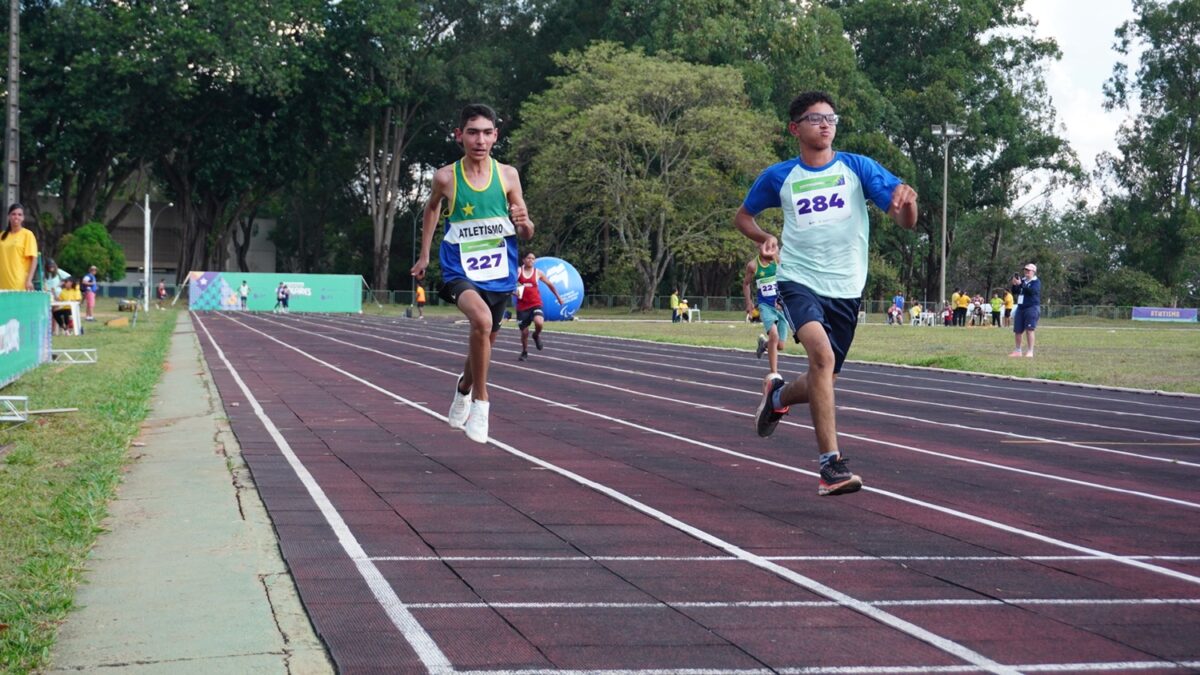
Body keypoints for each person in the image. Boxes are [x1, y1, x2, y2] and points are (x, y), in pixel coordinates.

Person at [735, 90, 918, 496]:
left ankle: (778, 395)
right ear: (795, 128)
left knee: (824, 376)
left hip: (847, 289)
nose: (825, 124)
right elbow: (743, 217)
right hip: (798, 280)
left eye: (831, 118)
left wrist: (908, 202)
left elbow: (905, 219)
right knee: (822, 357)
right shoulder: (780, 176)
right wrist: (766, 238)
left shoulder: (857, 168)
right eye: (815, 118)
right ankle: (830, 466)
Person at [410, 103, 534, 444]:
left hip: (500, 273)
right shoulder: (446, 177)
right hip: (458, 269)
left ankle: (464, 387)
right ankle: (482, 401)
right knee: (480, 323)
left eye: (486, 132)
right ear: (459, 135)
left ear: (496, 136)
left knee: (485, 341)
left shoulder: (508, 175)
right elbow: (432, 208)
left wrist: (524, 225)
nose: (479, 139)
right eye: (472, 132)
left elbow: (525, 232)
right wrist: (423, 256)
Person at [514, 252, 563, 361]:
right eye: (528, 258)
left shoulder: (538, 273)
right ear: (523, 260)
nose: (531, 260)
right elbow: (510, 283)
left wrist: (558, 297)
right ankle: (524, 352)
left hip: (535, 303)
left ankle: (536, 335)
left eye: (533, 258)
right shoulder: (518, 271)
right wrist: (514, 291)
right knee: (524, 333)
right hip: (522, 307)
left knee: (539, 322)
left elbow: (550, 284)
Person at [743, 250, 786, 373]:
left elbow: (787, 280)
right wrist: (749, 303)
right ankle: (774, 373)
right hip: (765, 305)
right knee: (774, 335)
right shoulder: (753, 265)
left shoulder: (778, 260)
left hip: (781, 306)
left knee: (780, 345)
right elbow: (746, 283)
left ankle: (764, 344)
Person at [0, 203, 38, 291]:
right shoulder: (2, 236)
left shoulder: (27, 235)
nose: (16, 217)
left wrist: (29, 280)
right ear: (9, 216)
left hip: (18, 283)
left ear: (23, 218)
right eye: (13, 214)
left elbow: (34, 259)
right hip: (2, 282)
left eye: (19, 214)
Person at [1010, 263, 1041, 357]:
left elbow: (1032, 292)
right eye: (1025, 270)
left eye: (1028, 270)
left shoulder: (1036, 282)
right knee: (1017, 330)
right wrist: (1015, 285)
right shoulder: (1022, 280)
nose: (1026, 272)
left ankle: (1030, 351)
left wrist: (1021, 284)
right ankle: (1018, 350)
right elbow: (1015, 292)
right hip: (1020, 307)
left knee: (1029, 329)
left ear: (1033, 272)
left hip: (1031, 307)